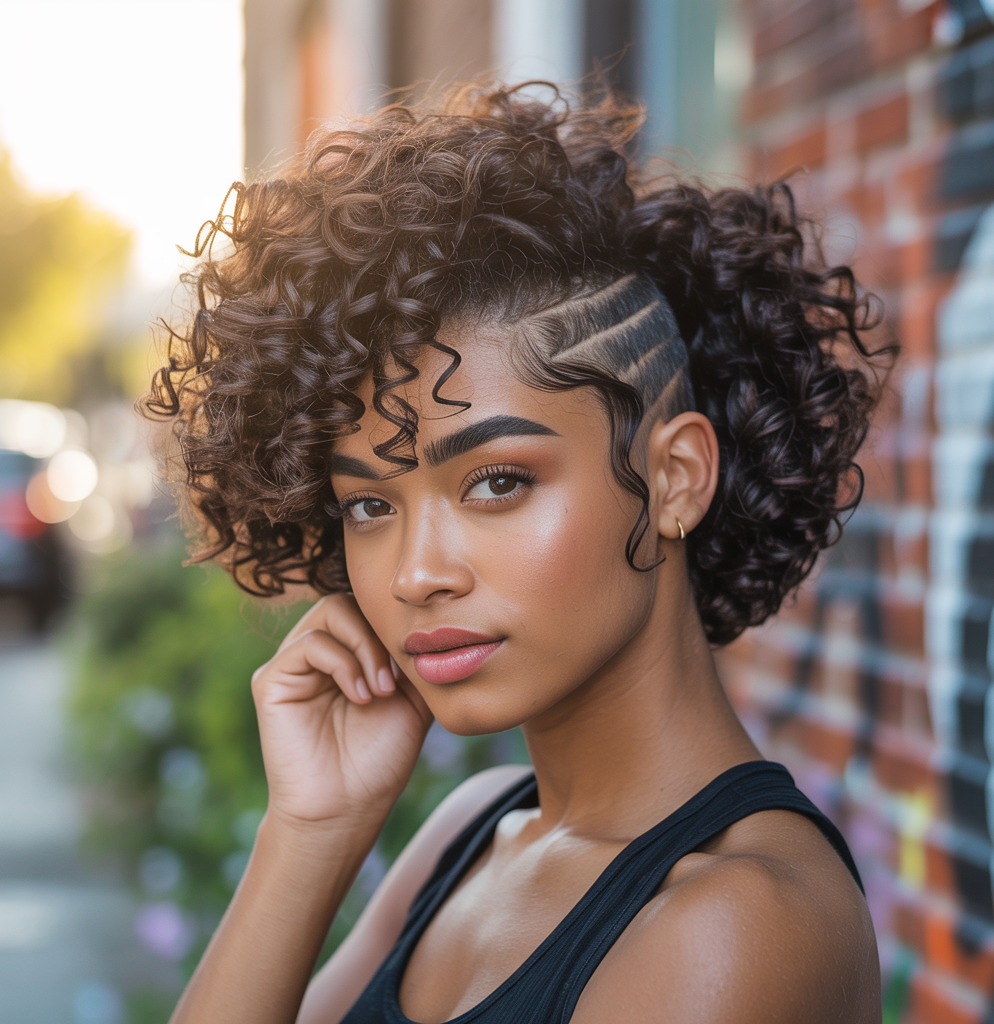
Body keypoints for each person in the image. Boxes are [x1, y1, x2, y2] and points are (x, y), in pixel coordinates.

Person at [152, 82, 890, 1024]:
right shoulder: (475, 831)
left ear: (676, 479)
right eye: (371, 504)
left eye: (497, 482)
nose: (419, 573)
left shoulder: (730, 925)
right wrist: (312, 830)